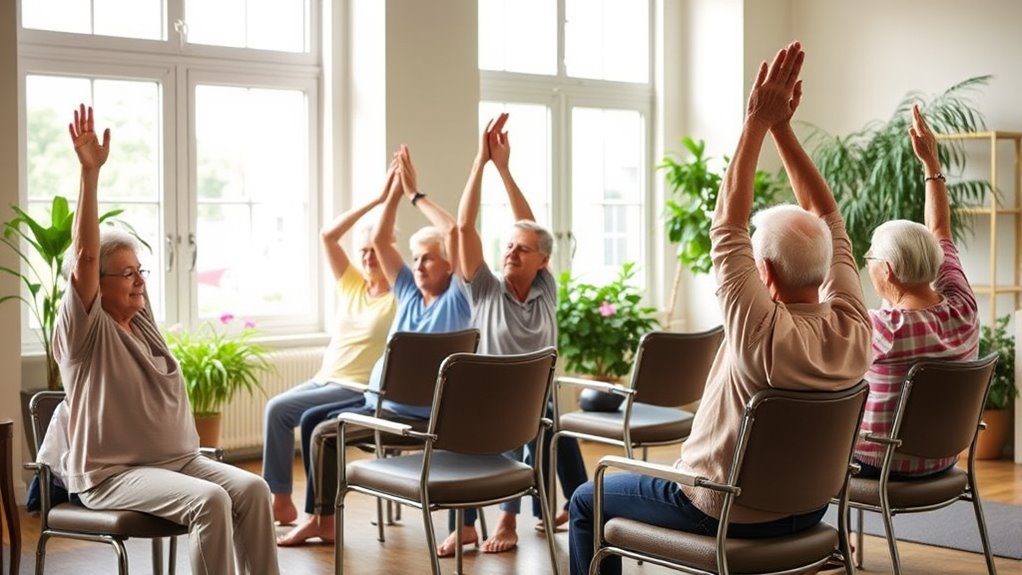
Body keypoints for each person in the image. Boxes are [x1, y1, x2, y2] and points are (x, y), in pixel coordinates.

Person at [568, 41, 873, 575]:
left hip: (722, 509)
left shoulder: (761, 331)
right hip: (810, 510)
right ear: (825, 267)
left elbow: (728, 224)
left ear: (767, 275)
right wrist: (781, 129)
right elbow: (828, 214)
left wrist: (758, 122)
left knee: (586, 501)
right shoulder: (853, 327)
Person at [58, 104, 279, 575]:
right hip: (112, 476)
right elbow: (85, 253)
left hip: (177, 463)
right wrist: (90, 174)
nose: (139, 282)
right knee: (210, 501)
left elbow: (116, 267)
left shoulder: (141, 322)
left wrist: (132, 272)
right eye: (127, 274)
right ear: (97, 283)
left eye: (142, 272)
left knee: (254, 490)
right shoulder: (86, 332)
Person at [277, 145, 472, 546]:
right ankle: (322, 520)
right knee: (314, 420)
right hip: (378, 403)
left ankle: (322, 520)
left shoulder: (457, 297)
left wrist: (416, 195)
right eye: (415, 258)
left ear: (450, 264)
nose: (417, 266)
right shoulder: (408, 291)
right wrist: (392, 196)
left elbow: (454, 231)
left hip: (414, 417)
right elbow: (382, 240)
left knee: (324, 433)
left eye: (429, 260)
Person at [436, 113, 588, 557]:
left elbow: (531, 226)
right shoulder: (485, 288)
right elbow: (462, 229)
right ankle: (481, 523)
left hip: (534, 399)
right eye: (507, 246)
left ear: (541, 261)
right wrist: (481, 163)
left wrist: (506, 169)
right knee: (543, 421)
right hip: (486, 400)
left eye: (521, 250)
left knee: (545, 419)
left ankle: (555, 510)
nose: (511, 252)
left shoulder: (545, 289)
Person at [262, 172, 398, 526]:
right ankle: (283, 500)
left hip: (355, 387)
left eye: (375, 251)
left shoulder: (399, 296)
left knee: (285, 411)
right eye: (363, 251)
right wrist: (377, 198)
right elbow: (329, 235)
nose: (368, 257)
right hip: (326, 379)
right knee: (276, 411)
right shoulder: (354, 284)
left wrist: (390, 206)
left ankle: (300, 507)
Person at [853, 103, 979, 478]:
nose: (865, 260)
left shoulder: (880, 329)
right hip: (943, 460)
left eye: (870, 256)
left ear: (887, 271)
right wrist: (931, 165)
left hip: (880, 465)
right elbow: (940, 231)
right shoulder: (964, 308)